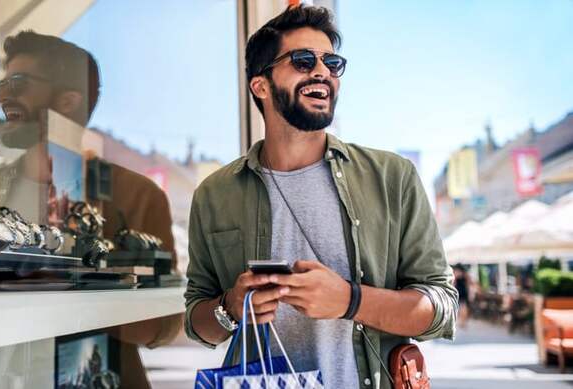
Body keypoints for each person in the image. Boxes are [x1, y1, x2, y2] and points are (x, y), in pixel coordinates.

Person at [184, 5, 458, 388]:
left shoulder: (392, 177)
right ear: (260, 85)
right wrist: (231, 308)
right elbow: (198, 322)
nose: (322, 72)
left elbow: (442, 308)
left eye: (331, 62)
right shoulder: (215, 195)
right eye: (302, 60)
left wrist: (349, 301)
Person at [0, 30, 181, 388]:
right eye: (1, 84)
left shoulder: (137, 196)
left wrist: (79, 291)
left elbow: (165, 324)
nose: (4, 95)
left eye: (18, 83)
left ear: (67, 101)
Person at [453, 264, 471, 328]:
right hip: (464, 292)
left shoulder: (456, 274)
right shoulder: (465, 274)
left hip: (459, 292)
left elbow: (453, 284)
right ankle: (463, 322)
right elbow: (468, 284)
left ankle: (462, 321)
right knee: (464, 307)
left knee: (461, 308)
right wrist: (469, 293)